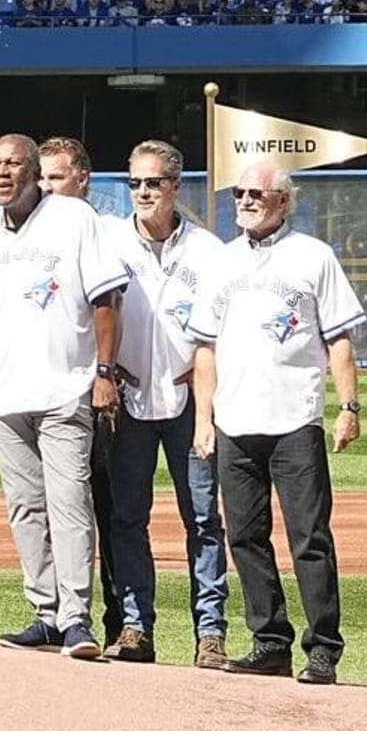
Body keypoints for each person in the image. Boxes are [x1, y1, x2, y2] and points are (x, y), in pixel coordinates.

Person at [189, 159, 364, 686]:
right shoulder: (222, 261)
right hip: (235, 421)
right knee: (244, 536)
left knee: (309, 536)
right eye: (239, 193)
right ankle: (270, 640)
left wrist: (349, 407)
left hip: (294, 418)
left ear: (283, 201)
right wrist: (204, 419)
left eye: (256, 194)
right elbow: (205, 348)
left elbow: (339, 340)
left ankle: (323, 648)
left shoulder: (314, 256)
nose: (245, 201)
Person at [0, 134, 128, 660]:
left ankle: (76, 616)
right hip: (6, 395)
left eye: (12, 164)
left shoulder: (75, 219)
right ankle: (45, 612)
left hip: (65, 385)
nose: (2, 173)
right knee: (25, 508)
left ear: (35, 171)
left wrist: (103, 372)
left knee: (69, 502)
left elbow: (105, 300)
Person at [99, 142, 230, 668]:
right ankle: (136, 627)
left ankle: (211, 632)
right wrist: (106, 368)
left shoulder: (208, 250)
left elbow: (222, 332)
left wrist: (203, 375)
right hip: (128, 400)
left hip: (188, 402)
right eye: (135, 184)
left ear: (176, 186)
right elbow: (90, 313)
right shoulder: (109, 241)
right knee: (127, 517)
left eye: (154, 183)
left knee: (201, 519)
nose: (144, 193)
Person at [36, 136, 122, 644]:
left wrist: (106, 373)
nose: (47, 187)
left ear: (82, 178)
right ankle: (59, 614)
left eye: (57, 176)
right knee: (58, 506)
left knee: (113, 511)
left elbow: (113, 305)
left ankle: (124, 620)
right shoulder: (37, 234)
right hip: (63, 389)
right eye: (42, 177)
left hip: (105, 387)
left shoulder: (105, 230)